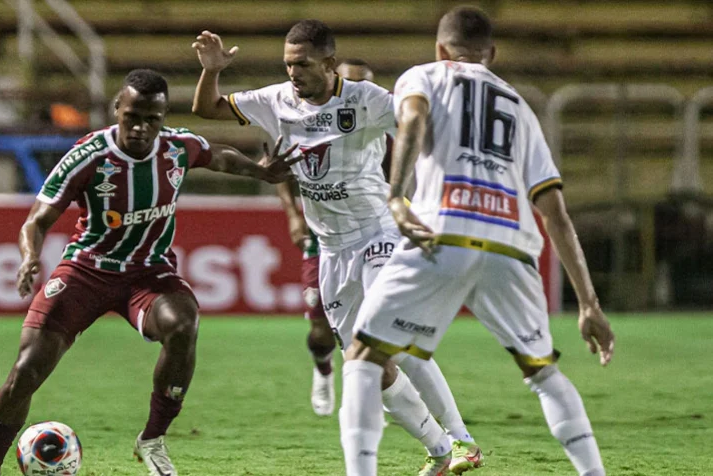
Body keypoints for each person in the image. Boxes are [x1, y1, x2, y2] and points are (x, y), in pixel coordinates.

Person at [0, 69, 300, 476]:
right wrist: (28, 257)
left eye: (152, 118)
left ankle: (152, 440)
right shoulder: (88, 155)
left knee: (183, 324)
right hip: (87, 271)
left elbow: (218, 156)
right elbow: (37, 220)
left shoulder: (177, 147)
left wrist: (261, 171)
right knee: (27, 370)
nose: (142, 128)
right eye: (132, 117)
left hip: (148, 274)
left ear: (162, 117)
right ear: (116, 111)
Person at [192, 21, 482, 475]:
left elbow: (421, 126)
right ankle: (441, 449)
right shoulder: (276, 100)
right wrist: (211, 70)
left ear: (328, 63)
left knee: (387, 337)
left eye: (302, 64)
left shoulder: (365, 99)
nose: (293, 72)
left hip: (378, 232)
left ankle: (463, 439)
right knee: (365, 362)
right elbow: (206, 108)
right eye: (288, 64)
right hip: (330, 247)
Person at [340, 6, 615, 476]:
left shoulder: (423, 75)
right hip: (510, 246)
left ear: (440, 49)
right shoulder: (520, 106)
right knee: (544, 375)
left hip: (442, 233)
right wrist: (589, 303)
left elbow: (412, 120)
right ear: (491, 54)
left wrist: (397, 196)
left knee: (363, 358)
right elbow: (557, 215)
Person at [276, 58, 378, 417]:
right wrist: (292, 213)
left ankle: (376, 390)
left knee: (378, 317)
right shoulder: (306, 120)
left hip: (371, 233)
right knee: (320, 326)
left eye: (362, 86)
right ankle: (323, 369)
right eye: (348, 84)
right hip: (323, 237)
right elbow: (281, 168)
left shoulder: (381, 129)